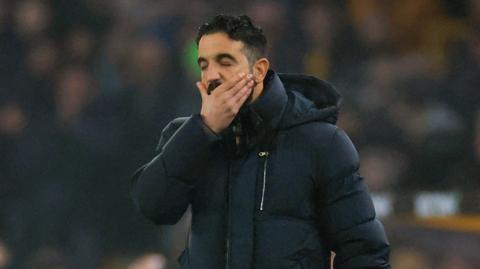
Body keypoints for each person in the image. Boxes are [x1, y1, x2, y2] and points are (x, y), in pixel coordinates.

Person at [130, 14, 390, 269]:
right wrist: (203, 131)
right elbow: (153, 208)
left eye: (225, 62)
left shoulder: (321, 142)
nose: (212, 76)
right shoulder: (188, 138)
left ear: (259, 69)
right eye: (204, 65)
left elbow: (363, 248)